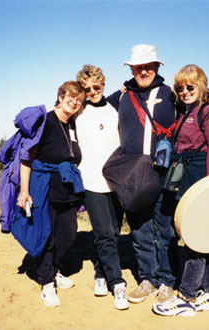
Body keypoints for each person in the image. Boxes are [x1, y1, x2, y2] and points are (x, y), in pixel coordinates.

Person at [107, 44, 209, 305]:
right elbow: (94, 109)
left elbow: (200, 99)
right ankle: (147, 279)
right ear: (132, 69)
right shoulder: (121, 96)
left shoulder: (171, 92)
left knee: (165, 229)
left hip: (165, 173)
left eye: (148, 66)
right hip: (133, 175)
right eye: (138, 67)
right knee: (139, 229)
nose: (143, 71)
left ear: (156, 67)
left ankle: (166, 280)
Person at [153, 65, 209, 316]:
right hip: (187, 175)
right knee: (203, 232)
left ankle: (186, 295)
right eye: (180, 88)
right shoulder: (187, 112)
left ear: (202, 87)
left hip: (199, 176)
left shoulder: (207, 113)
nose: (184, 91)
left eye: (190, 87)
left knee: (195, 234)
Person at [16, 81, 86, 307]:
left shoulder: (71, 124)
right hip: (43, 186)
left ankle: (55, 271)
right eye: (71, 96)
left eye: (79, 99)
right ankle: (47, 283)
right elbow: (27, 158)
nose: (74, 101)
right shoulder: (45, 121)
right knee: (46, 234)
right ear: (61, 95)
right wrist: (25, 191)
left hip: (65, 188)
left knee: (68, 235)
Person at [75, 65, 128, 310]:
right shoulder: (79, 112)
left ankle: (99, 273)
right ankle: (117, 283)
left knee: (113, 232)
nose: (92, 91)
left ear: (103, 85)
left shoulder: (114, 108)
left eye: (96, 87)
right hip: (91, 182)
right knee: (104, 233)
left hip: (116, 182)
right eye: (87, 89)